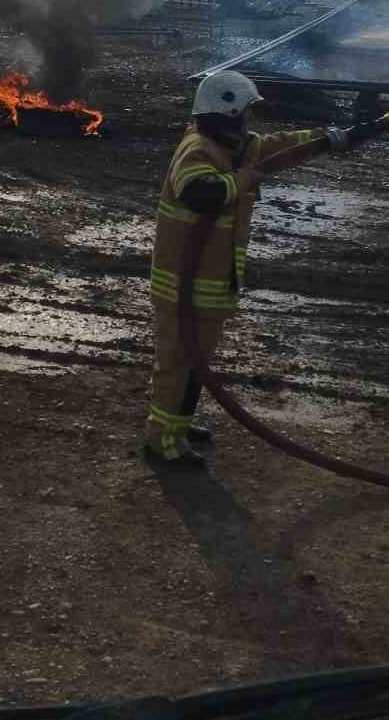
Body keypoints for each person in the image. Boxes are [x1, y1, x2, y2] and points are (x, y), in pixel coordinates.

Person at [145, 69, 344, 468]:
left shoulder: (236, 147)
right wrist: (243, 179)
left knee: (195, 364)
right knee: (178, 365)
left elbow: (279, 147)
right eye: (244, 113)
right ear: (226, 112)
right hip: (182, 287)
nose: (248, 121)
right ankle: (162, 440)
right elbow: (202, 193)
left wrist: (329, 138)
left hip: (211, 284)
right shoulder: (197, 148)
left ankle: (179, 426)